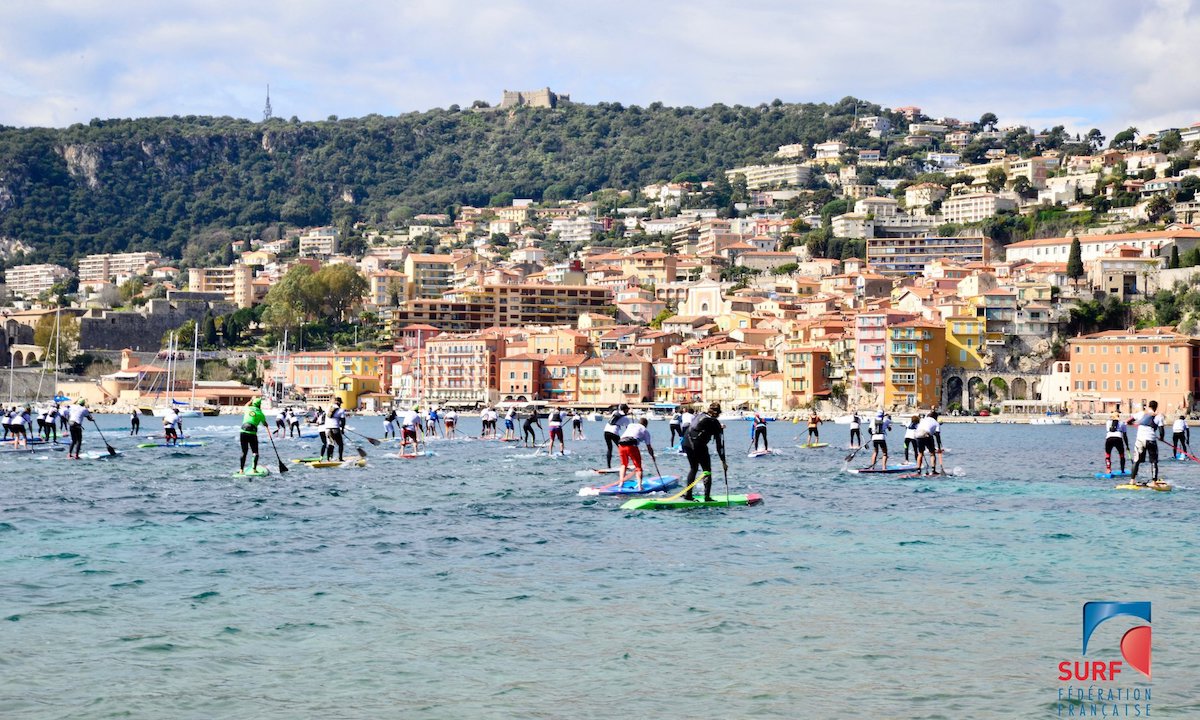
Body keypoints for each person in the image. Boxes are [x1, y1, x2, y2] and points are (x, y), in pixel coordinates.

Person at [682, 401, 727, 502]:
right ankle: (707, 497)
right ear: (718, 413)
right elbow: (719, 445)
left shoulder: (700, 415)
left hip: (686, 442)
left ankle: (688, 495)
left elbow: (700, 426)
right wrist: (723, 462)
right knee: (707, 470)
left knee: (693, 468)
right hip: (697, 444)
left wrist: (718, 427)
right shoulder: (714, 422)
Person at [1129, 401, 1165, 486]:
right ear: (1156, 407)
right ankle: (1154, 482)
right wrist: (1161, 438)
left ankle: (1132, 480)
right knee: (1154, 461)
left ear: (1149, 406)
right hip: (1151, 440)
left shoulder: (1141, 413)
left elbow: (1129, 421)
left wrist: (1133, 423)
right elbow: (1161, 431)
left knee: (1136, 461)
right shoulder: (1159, 416)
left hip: (1140, 440)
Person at [617, 417, 657, 491]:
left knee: (623, 464)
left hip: (620, 444)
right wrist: (652, 456)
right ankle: (639, 486)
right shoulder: (645, 431)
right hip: (631, 445)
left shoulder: (631, 425)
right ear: (646, 425)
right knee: (638, 467)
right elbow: (649, 447)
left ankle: (621, 484)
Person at [238, 397, 270, 473]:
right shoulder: (260, 414)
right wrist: (266, 425)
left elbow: (246, 404)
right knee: (255, 452)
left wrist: (251, 400)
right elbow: (264, 423)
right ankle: (254, 469)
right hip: (252, 433)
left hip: (243, 431)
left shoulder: (247, 409)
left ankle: (241, 470)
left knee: (244, 452)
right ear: (259, 405)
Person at [913, 410, 943, 476]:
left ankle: (918, 471)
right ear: (935, 417)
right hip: (926, 434)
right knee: (932, 453)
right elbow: (937, 435)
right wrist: (939, 448)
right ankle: (933, 470)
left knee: (920, 453)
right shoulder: (936, 423)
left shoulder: (923, 419)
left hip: (917, 435)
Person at [603, 404, 631, 468]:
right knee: (622, 448)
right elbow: (628, 428)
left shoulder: (615, 412)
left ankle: (608, 466)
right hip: (614, 432)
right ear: (625, 410)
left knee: (609, 449)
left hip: (606, 431)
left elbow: (618, 414)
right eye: (627, 409)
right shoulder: (626, 418)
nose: (628, 411)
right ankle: (624, 465)